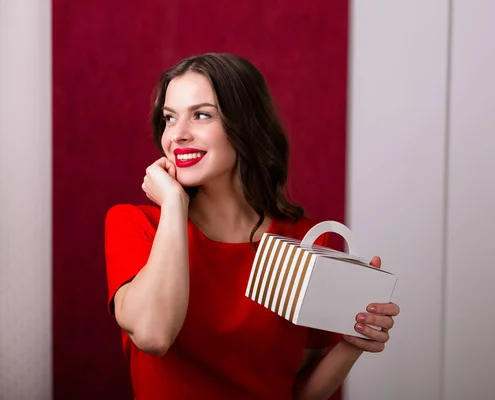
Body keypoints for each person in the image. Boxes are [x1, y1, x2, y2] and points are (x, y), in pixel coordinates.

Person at [104, 53, 400, 399]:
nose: (178, 135)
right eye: (170, 118)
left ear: (244, 125)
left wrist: (353, 344)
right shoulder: (135, 224)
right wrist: (173, 204)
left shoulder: (303, 240)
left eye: (201, 115)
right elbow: (154, 336)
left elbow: (299, 393)